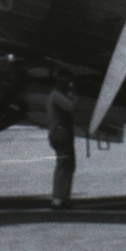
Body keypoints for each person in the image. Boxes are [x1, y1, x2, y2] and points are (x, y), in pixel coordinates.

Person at [47, 78, 78, 209]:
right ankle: (58, 199)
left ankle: (63, 197)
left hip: (62, 133)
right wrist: (75, 96)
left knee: (67, 166)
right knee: (63, 166)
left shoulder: (56, 95)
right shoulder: (56, 96)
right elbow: (70, 107)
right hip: (61, 134)